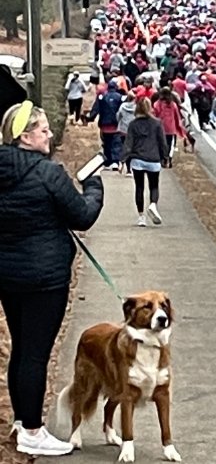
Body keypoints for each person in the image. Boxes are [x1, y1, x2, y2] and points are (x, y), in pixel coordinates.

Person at [0, 102, 103, 456]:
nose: (48, 134)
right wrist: (94, 186)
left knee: (21, 348)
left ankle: (20, 419)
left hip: (8, 274)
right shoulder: (48, 173)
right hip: (45, 277)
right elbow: (83, 216)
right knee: (35, 354)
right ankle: (32, 430)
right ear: (25, 137)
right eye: (42, 129)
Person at [121, 97, 169, 227]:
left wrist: (123, 159)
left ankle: (141, 216)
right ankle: (153, 204)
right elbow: (162, 142)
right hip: (153, 158)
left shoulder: (133, 124)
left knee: (139, 187)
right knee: (154, 186)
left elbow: (128, 143)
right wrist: (165, 157)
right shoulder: (157, 123)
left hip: (137, 159)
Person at [88, 79, 123, 170]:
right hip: (116, 125)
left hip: (104, 124)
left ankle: (107, 162)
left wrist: (90, 118)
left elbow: (96, 108)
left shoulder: (102, 97)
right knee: (115, 143)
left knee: (106, 143)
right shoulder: (120, 97)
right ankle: (115, 161)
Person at [152, 86, 186, 168]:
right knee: (170, 144)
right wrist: (179, 128)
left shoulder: (157, 104)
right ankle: (168, 159)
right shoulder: (173, 105)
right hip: (171, 128)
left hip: (160, 128)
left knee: (160, 144)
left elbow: (154, 116)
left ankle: (162, 159)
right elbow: (177, 117)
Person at [116, 91, 137, 176]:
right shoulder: (136, 107)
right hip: (133, 131)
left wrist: (120, 122)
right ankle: (130, 169)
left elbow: (118, 116)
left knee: (124, 147)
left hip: (123, 130)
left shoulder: (122, 106)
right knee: (132, 149)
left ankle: (122, 162)